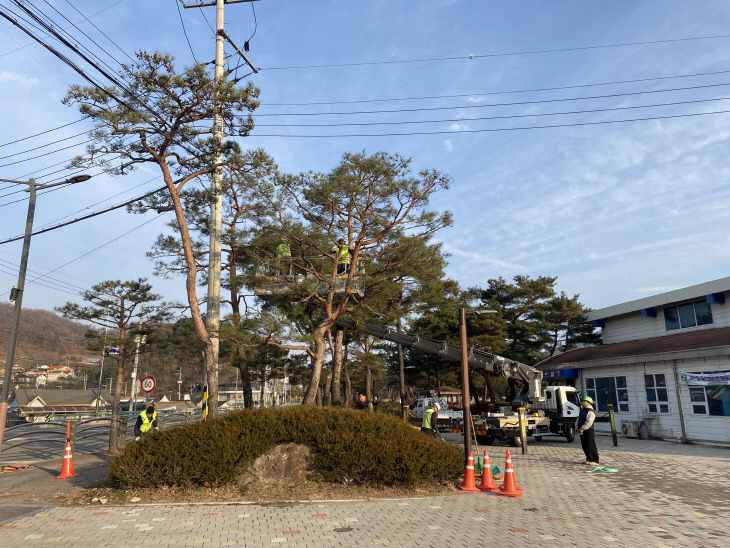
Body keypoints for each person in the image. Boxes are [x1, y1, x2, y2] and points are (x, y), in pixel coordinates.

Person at [575, 396, 599, 465]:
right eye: (583, 401)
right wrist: (576, 425)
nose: (583, 402)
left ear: (589, 403)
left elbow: (589, 422)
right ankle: (589, 459)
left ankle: (595, 460)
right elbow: (578, 418)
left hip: (588, 430)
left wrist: (582, 428)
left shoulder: (591, 412)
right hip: (581, 430)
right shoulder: (582, 410)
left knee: (591, 445)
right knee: (584, 445)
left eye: (585, 401)